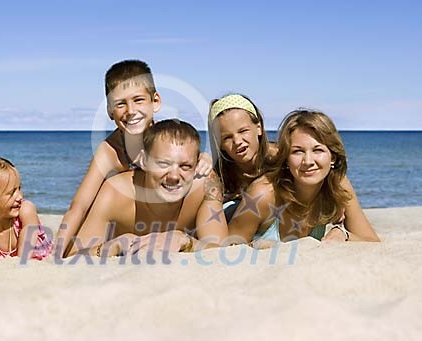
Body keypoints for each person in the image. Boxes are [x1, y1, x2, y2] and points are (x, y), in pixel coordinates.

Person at [57, 60, 212, 257]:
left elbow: (184, 154)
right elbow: (79, 206)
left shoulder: (164, 139)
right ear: (110, 111)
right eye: (121, 104)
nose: (131, 111)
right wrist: (56, 256)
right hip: (119, 221)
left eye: (138, 100)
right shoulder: (110, 152)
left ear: (155, 102)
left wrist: (204, 157)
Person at [65, 119, 228, 257]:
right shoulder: (115, 193)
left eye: (185, 166)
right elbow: (73, 257)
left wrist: (186, 241)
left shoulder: (206, 185)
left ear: (197, 164)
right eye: (163, 164)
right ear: (143, 161)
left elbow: (223, 253)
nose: (174, 176)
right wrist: (113, 247)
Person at [227, 109, 380, 248]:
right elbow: (227, 249)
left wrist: (342, 234)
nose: (308, 161)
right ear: (286, 158)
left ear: (333, 157)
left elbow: (370, 240)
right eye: (298, 151)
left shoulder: (337, 184)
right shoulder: (263, 195)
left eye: (317, 150)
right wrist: (257, 246)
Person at [207, 93, 274, 221]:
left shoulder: (281, 158)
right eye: (227, 137)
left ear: (259, 128)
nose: (237, 141)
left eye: (243, 131)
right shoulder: (220, 175)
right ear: (219, 144)